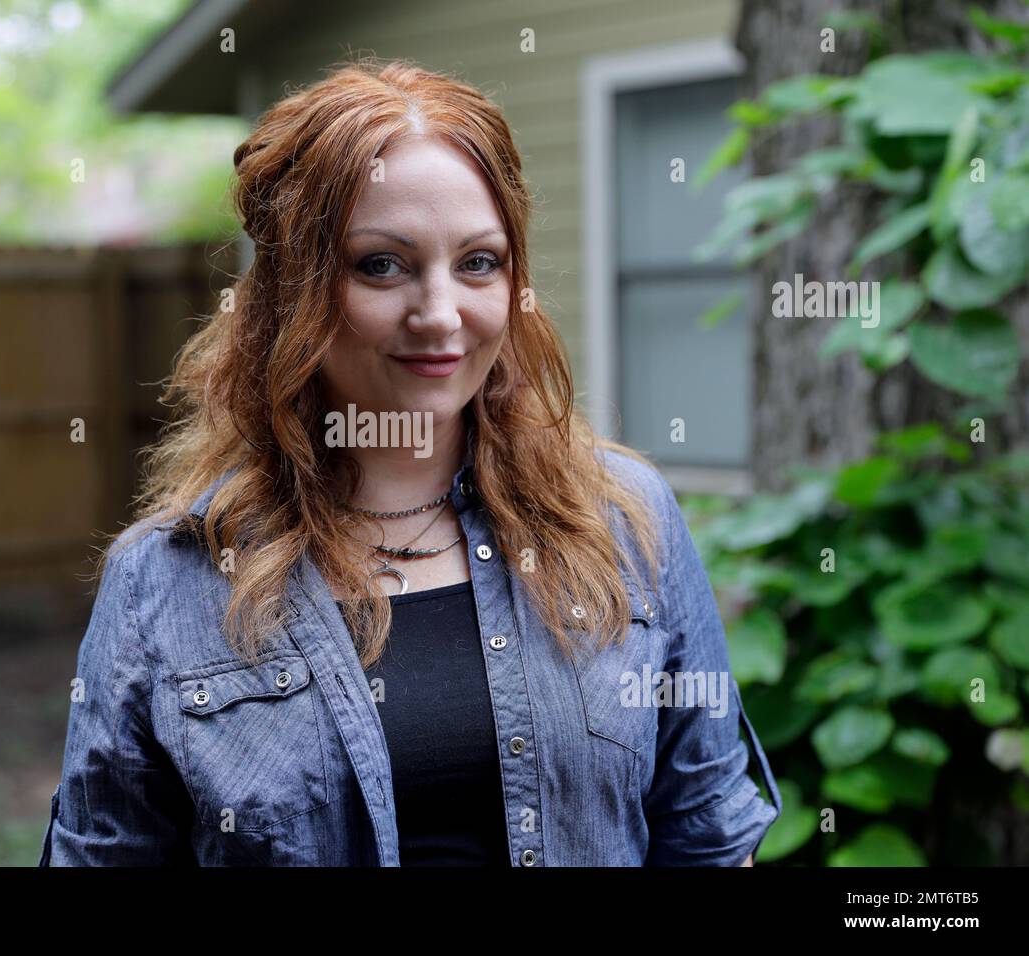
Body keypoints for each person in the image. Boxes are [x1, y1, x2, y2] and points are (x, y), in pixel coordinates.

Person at [41, 57, 780, 866]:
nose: (439, 315)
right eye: (381, 265)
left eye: (477, 263)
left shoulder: (626, 520)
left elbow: (707, 838)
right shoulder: (167, 582)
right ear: (294, 291)